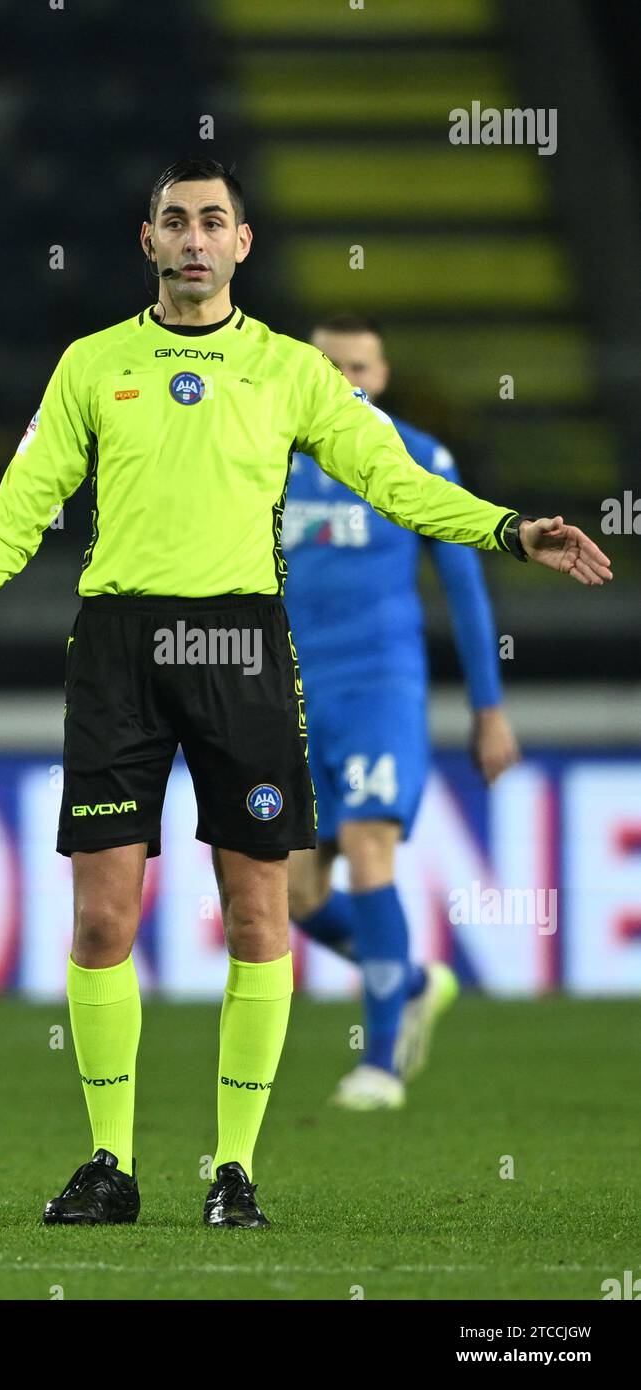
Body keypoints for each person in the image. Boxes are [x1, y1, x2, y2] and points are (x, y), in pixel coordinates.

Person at [0, 157, 612, 1230]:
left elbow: (390, 478)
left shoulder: (293, 373)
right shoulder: (92, 365)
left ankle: (232, 1171)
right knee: (101, 917)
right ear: (149, 240)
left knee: (259, 912)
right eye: (176, 221)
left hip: (242, 645)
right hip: (116, 648)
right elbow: (18, 507)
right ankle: (109, 1163)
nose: (195, 238)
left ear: (242, 243)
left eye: (214, 220)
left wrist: (508, 527)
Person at [284, 314, 520, 1110]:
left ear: (379, 378)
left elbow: (465, 589)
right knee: (293, 896)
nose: (346, 379)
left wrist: (488, 710)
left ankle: (379, 1066)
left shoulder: (418, 457)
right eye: (330, 365)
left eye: (359, 367)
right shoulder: (268, 452)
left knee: (368, 845)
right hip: (286, 696)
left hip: (379, 689)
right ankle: (412, 981)